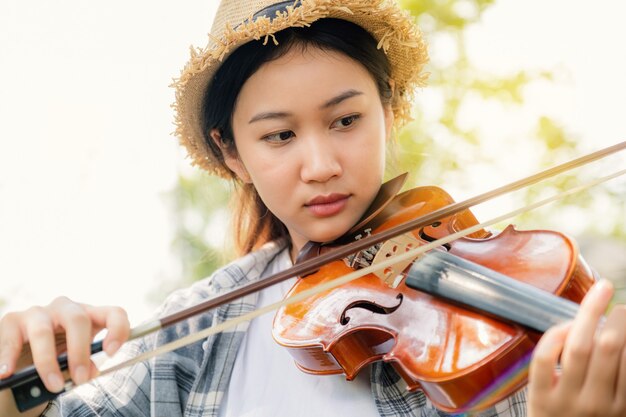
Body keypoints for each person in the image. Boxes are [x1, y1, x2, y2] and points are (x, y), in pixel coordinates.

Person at [1, 0, 625, 416]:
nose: (321, 164)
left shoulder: (505, 325)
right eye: (279, 135)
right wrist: (16, 387)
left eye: (347, 120)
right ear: (233, 154)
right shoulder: (195, 329)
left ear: (389, 113)